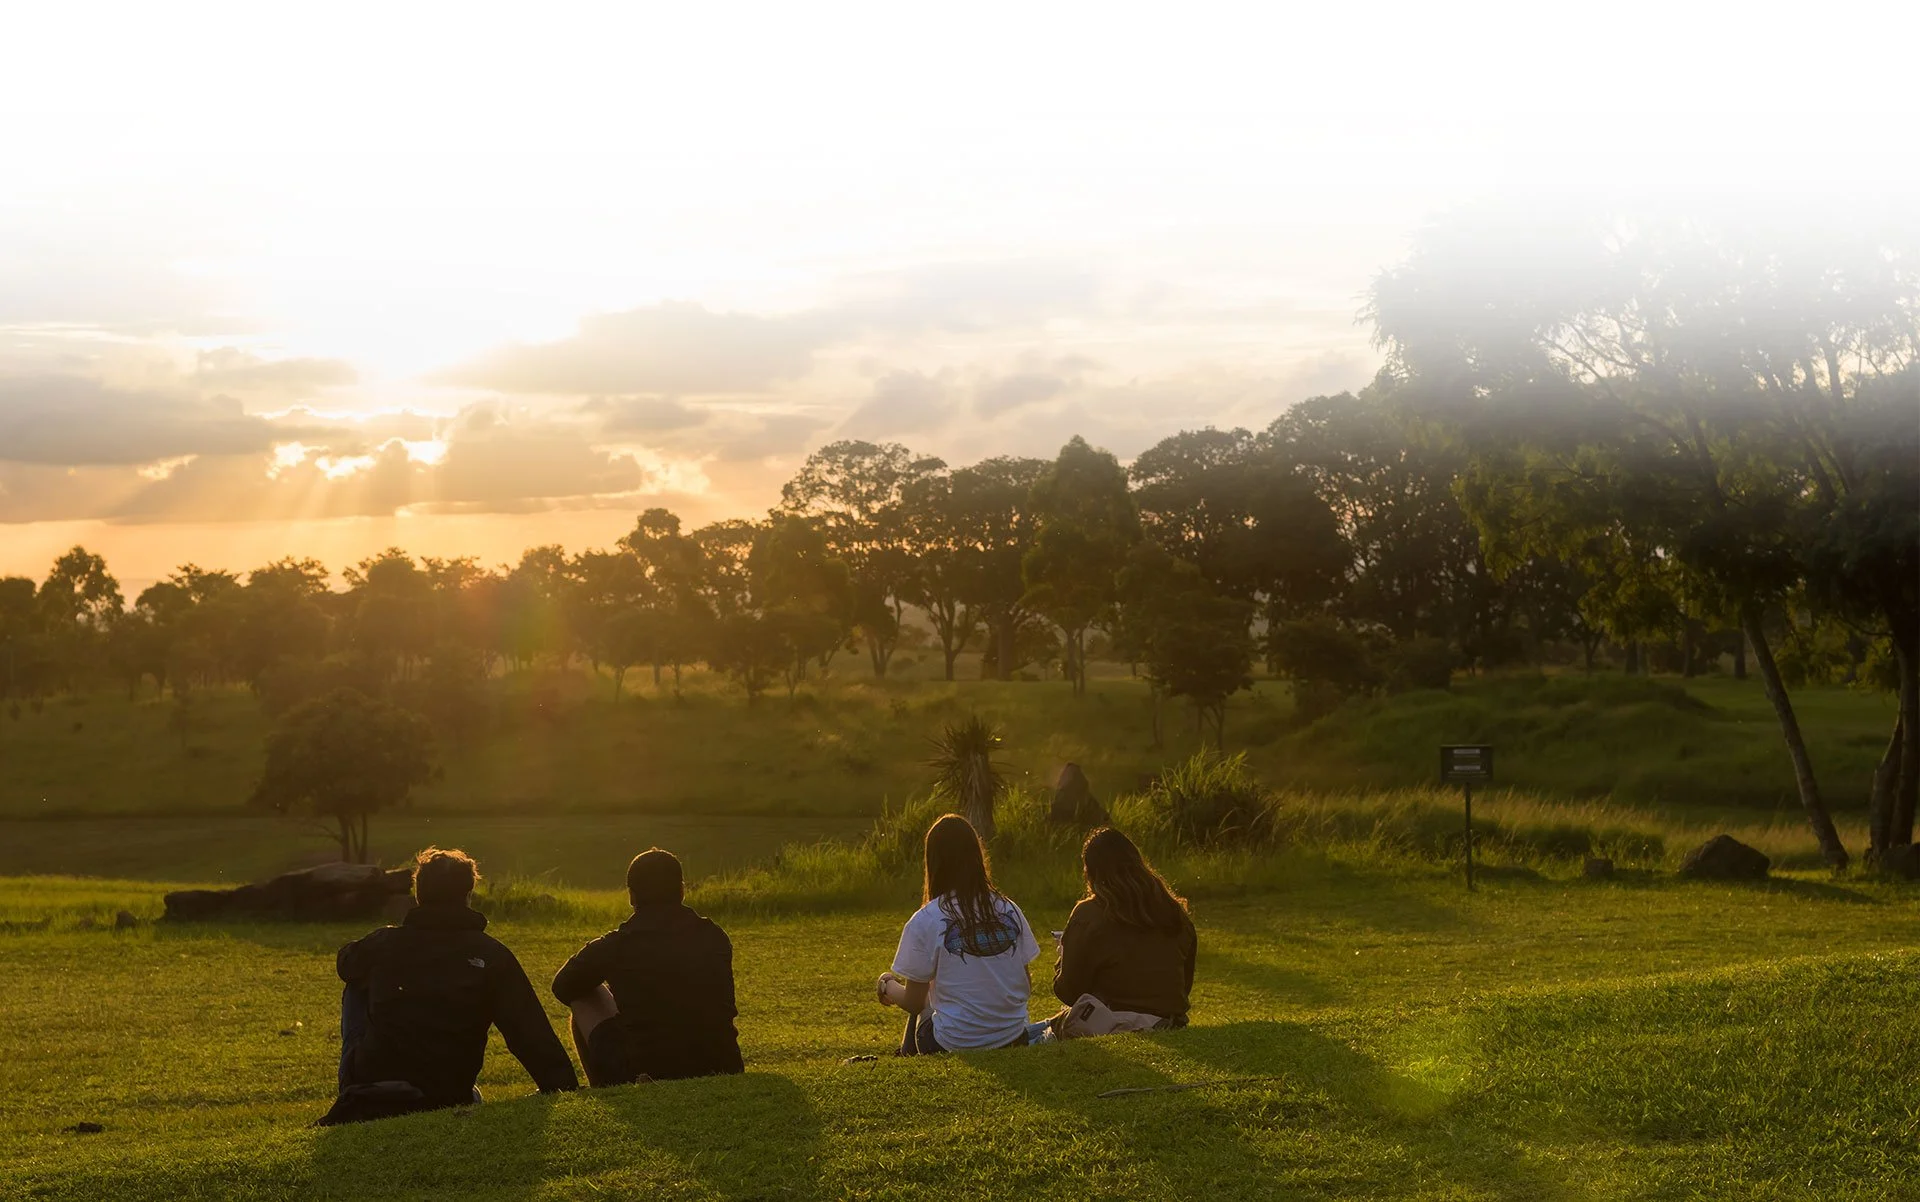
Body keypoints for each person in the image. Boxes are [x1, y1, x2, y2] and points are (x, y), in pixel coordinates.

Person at [325, 847, 577, 1125]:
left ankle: (357, 1087)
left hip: (375, 1080)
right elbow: (528, 1030)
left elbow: (345, 964)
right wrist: (561, 1084)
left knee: (357, 982)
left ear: (418, 896)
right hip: (447, 1090)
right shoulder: (492, 955)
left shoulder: (383, 943)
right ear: (468, 896)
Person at [551, 848, 744, 1086]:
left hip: (647, 1071)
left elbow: (562, 987)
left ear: (631, 896)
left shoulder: (616, 944)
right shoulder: (715, 936)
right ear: (682, 891)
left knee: (585, 995)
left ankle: (604, 1089)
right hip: (723, 1064)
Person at [877, 813, 1041, 1054]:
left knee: (922, 1004)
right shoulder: (1009, 909)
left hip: (954, 1043)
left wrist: (887, 985)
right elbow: (1025, 984)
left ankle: (906, 1058)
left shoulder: (927, 919)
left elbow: (913, 1002)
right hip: (1014, 1036)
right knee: (931, 995)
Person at [1050, 827, 1196, 1035]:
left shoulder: (1090, 913)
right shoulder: (1174, 912)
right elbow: (1184, 983)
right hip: (1171, 1022)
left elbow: (1068, 991)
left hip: (1115, 1024)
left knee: (1037, 1034)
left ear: (1090, 872)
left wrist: (1063, 958)